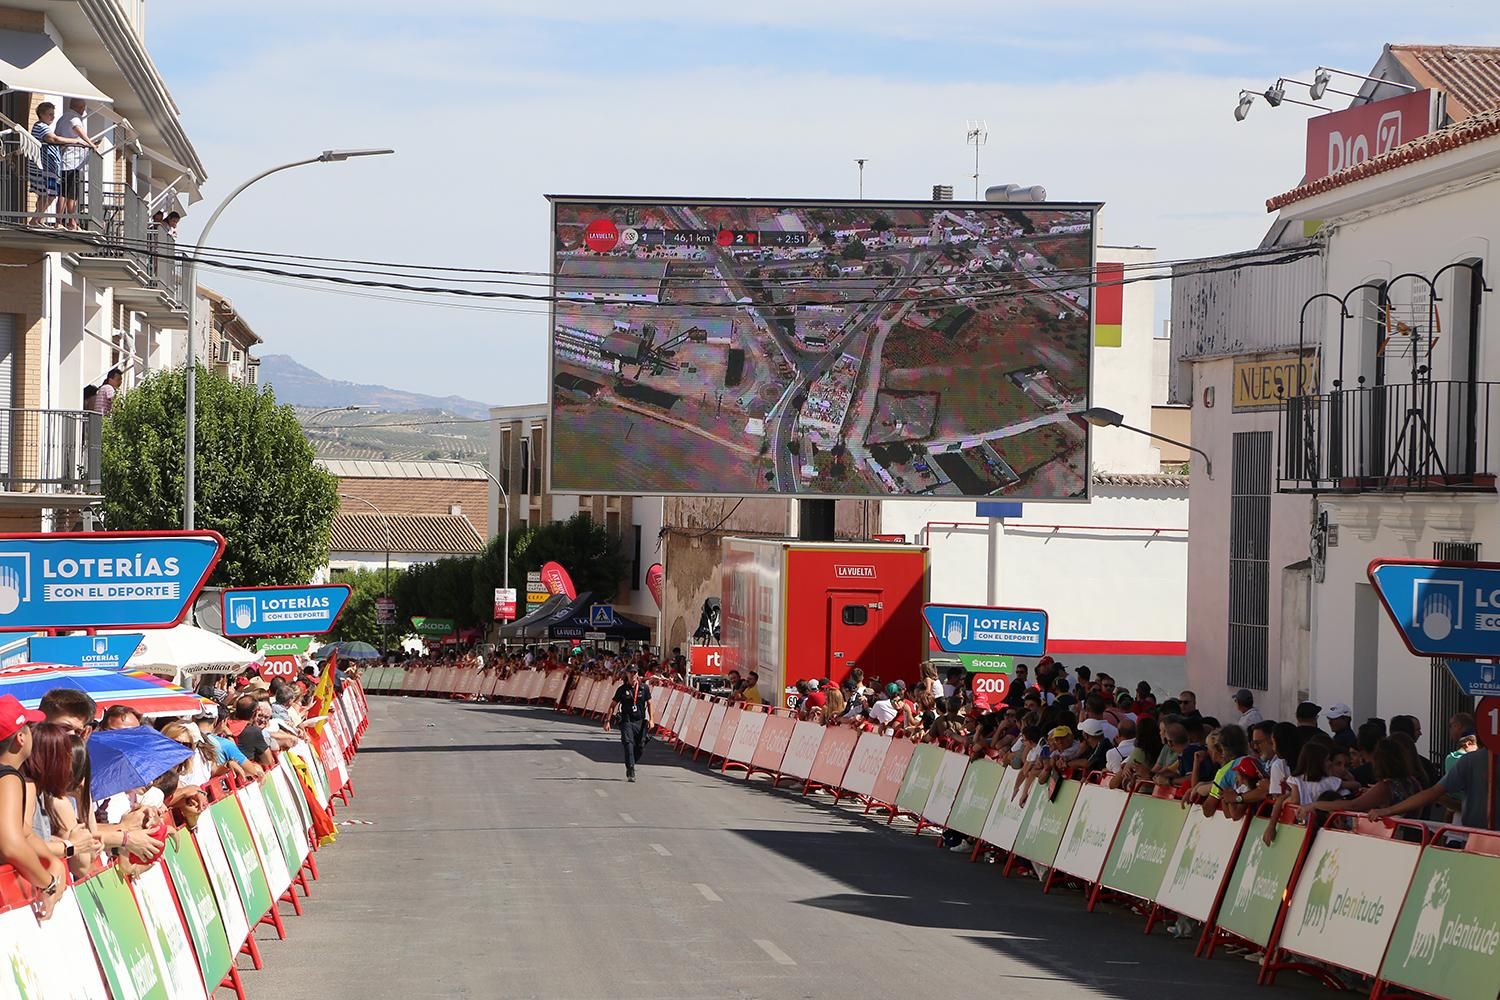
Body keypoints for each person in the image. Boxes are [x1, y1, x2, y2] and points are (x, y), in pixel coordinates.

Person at [0, 694, 65, 919]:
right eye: (28, 726)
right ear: (20, 737)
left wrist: (53, 862)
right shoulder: (7, 778)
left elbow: (24, 832)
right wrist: (48, 883)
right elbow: (12, 844)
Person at [602, 664, 652, 782]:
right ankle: (630, 769)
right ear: (627, 674)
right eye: (631, 672)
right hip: (626, 720)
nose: (633, 675)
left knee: (640, 746)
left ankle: (631, 762)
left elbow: (650, 703)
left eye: (635, 673)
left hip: (640, 721)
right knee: (628, 744)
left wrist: (652, 719)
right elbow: (612, 705)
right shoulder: (622, 689)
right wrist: (607, 721)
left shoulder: (644, 688)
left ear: (637, 674)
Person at [55, 98, 99, 228]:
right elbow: (78, 129)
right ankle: (60, 221)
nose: (84, 110)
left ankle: (70, 221)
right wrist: (91, 144)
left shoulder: (63, 118)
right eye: (83, 107)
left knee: (70, 194)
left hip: (69, 161)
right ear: (77, 107)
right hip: (71, 161)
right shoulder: (73, 117)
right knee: (66, 193)